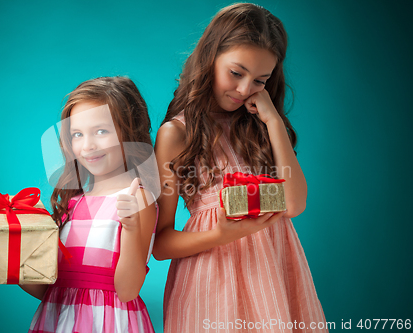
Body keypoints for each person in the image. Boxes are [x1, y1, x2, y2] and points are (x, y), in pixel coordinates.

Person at [153, 3, 328, 332]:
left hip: (274, 274)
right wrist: (219, 234)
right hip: (212, 280)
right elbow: (160, 244)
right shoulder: (176, 134)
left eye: (261, 80)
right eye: (236, 73)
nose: (246, 89)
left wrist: (273, 120)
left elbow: (294, 203)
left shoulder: (260, 126)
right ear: (210, 58)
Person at [22, 77, 158, 333]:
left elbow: (128, 290)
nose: (88, 146)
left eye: (101, 131)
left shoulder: (137, 199)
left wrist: (130, 228)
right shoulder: (72, 204)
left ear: (129, 132)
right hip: (57, 322)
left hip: (108, 324)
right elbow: (50, 291)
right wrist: (13, 261)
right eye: (77, 134)